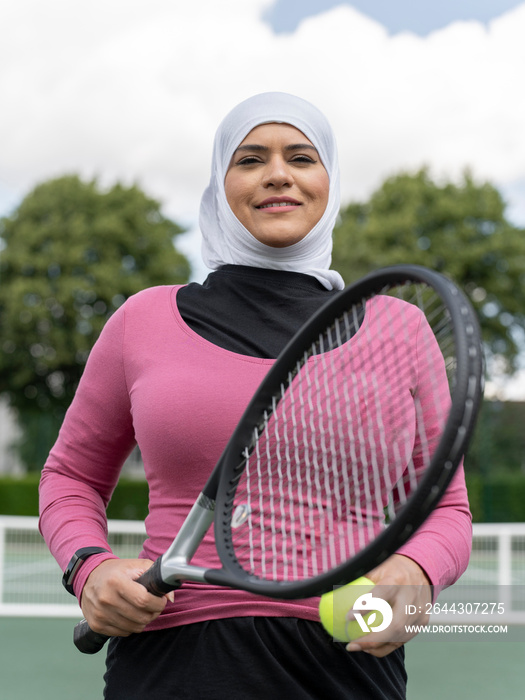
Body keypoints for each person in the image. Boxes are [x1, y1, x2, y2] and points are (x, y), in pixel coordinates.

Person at [39, 92, 472, 699]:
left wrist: (417, 572)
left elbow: (445, 510)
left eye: (301, 156)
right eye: (249, 159)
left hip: (348, 663)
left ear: (329, 180)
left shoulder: (398, 329)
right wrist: (90, 567)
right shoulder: (142, 320)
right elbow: (70, 477)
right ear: (221, 184)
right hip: (171, 660)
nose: (278, 174)